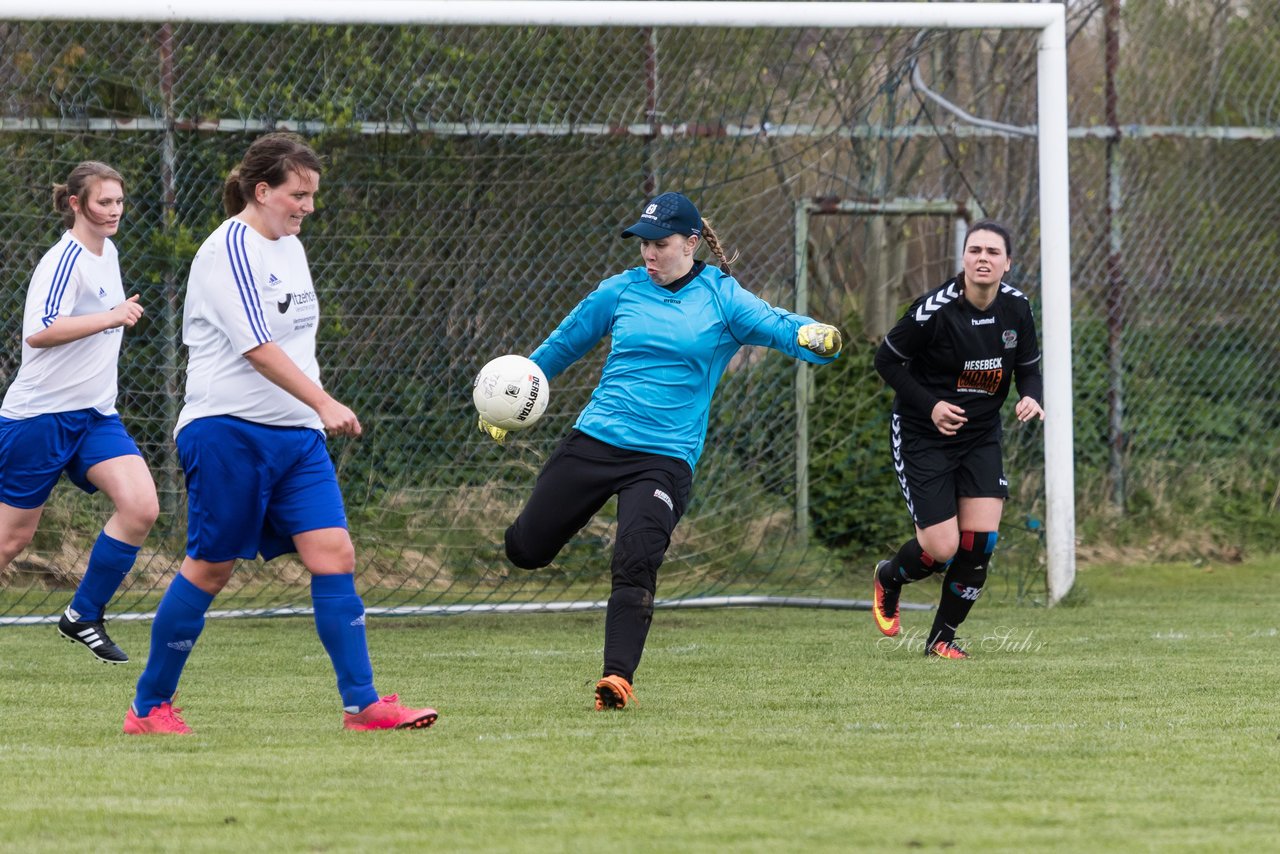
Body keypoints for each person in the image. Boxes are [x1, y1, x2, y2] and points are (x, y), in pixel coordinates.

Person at [479, 191, 843, 709]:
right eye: (643, 244)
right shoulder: (620, 291)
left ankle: (616, 679)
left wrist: (810, 334)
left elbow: (776, 324)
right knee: (526, 550)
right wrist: (506, 399)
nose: (648, 255)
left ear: (691, 243)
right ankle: (532, 545)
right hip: (596, 440)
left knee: (637, 558)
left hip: (663, 459)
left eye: (660, 244)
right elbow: (561, 346)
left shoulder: (722, 297)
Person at [124, 133, 438, 735]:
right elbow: (258, 349)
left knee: (334, 554)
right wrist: (323, 402)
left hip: (295, 437)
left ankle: (363, 705)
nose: (308, 207)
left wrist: (310, 411)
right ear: (262, 191)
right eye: (299, 194)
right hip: (227, 432)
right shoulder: (229, 250)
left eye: (313, 195)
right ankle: (148, 707)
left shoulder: (290, 247)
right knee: (211, 568)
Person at [0, 161, 157, 665]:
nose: (114, 211)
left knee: (141, 507)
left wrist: (111, 315)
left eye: (119, 201)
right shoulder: (61, 260)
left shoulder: (107, 251)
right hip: (40, 417)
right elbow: (40, 330)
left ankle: (82, 614)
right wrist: (110, 317)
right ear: (75, 203)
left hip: (93, 416)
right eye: (103, 202)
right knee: (12, 540)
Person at [870, 220, 1044, 658]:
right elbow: (886, 361)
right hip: (921, 434)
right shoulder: (934, 310)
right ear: (963, 258)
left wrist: (1031, 397)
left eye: (992, 252)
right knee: (941, 550)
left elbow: (1028, 367)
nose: (983, 258)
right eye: (975, 250)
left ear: (1008, 263)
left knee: (979, 543)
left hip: (981, 435)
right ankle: (890, 577)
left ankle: (941, 640)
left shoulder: (1017, 308)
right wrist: (931, 406)